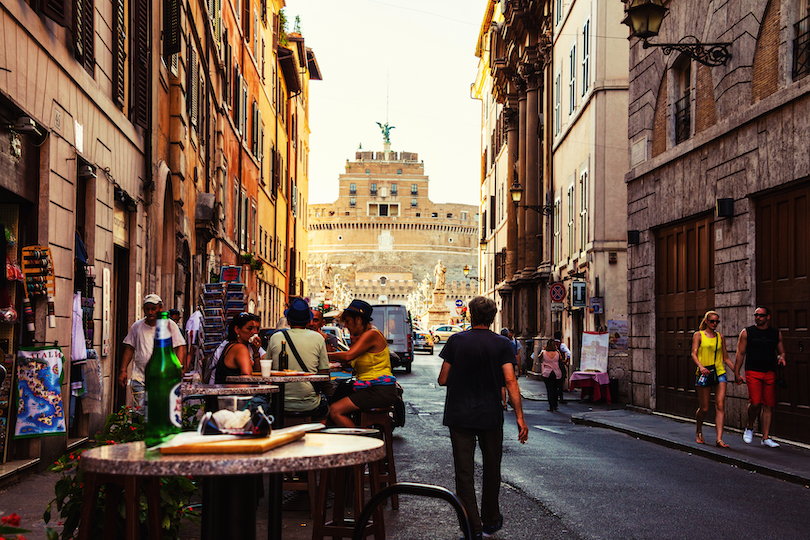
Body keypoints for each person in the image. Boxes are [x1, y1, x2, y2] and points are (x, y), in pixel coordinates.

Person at [438, 296, 528, 540]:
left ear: (469, 315)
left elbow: (443, 379)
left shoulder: (456, 341)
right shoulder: (502, 344)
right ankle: (490, 521)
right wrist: (520, 417)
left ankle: (472, 527)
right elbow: (510, 380)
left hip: (459, 415)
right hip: (490, 415)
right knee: (491, 469)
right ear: (493, 317)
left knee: (464, 474)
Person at [328, 300, 398, 427]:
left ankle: (362, 442)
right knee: (338, 396)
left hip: (378, 390)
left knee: (335, 410)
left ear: (358, 320)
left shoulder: (372, 334)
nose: (346, 326)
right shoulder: (365, 337)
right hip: (371, 389)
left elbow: (348, 355)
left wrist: (322, 355)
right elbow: (352, 361)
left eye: (348, 321)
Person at [118, 294, 187, 410]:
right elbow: (129, 348)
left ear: (160, 308)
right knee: (141, 412)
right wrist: (123, 370)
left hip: (163, 378)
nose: (150, 312)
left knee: (159, 410)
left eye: (153, 309)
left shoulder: (170, 325)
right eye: (147, 309)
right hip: (141, 378)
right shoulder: (137, 326)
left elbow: (180, 346)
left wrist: (178, 367)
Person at [267, 298, 330, 421]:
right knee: (327, 410)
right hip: (310, 403)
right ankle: (316, 434)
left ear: (288, 320)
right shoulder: (318, 338)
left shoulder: (275, 337)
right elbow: (324, 372)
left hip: (279, 401)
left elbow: (267, 367)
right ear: (308, 321)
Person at [734, 306, 786, 448]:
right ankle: (750, 427)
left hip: (770, 372)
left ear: (768, 317)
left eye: (761, 315)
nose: (758, 318)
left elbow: (781, 351)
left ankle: (765, 437)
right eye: (756, 315)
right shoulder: (747, 332)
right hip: (753, 371)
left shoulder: (776, 334)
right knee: (755, 402)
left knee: (768, 405)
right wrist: (737, 372)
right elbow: (740, 353)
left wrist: (781, 357)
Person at [691, 310, 735, 447]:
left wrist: (736, 372)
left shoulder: (720, 337)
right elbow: (694, 353)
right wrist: (701, 366)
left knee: (720, 405)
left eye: (717, 321)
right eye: (712, 321)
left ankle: (719, 439)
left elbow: (725, 357)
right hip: (704, 373)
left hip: (719, 372)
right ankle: (699, 430)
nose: (715, 324)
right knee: (704, 408)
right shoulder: (698, 335)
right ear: (706, 321)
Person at [214, 312, 262, 383]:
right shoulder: (240, 348)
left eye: (257, 329)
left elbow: (257, 373)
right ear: (237, 330)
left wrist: (256, 352)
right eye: (249, 328)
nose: (255, 332)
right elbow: (247, 376)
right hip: (231, 392)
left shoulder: (239, 346)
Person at [539, 339, 562, 412]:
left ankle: (551, 406)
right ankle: (555, 405)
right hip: (556, 372)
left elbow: (539, 358)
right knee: (555, 389)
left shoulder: (544, 352)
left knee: (550, 390)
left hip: (547, 373)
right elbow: (560, 359)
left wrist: (543, 350)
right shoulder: (557, 352)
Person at [554, 332, 571, 404]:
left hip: (551, 365)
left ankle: (554, 397)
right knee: (561, 378)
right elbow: (569, 353)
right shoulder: (561, 345)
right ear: (561, 337)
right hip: (559, 364)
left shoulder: (551, 344)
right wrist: (566, 361)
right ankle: (561, 397)